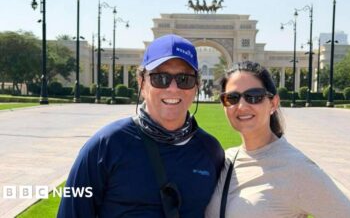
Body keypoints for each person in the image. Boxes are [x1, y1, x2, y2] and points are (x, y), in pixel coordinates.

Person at [58, 34, 225, 218]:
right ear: (141, 83)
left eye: (184, 79)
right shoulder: (105, 146)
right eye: (160, 78)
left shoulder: (211, 151)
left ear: (196, 86)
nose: (173, 88)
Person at [205, 61, 350, 218]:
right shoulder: (225, 159)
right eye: (232, 98)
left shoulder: (298, 169)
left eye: (254, 96)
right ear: (224, 105)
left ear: (273, 103)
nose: (241, 106)